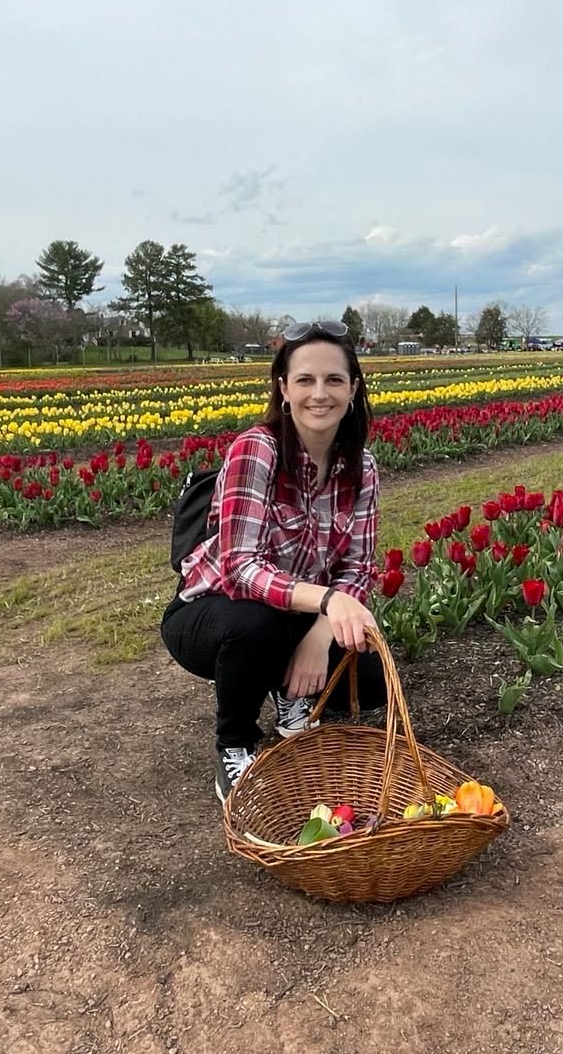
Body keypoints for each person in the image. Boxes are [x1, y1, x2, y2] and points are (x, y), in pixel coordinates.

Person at [161, 320, 386, 801]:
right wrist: (328, 602)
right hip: (215, 613)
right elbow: (240, 568)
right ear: (283, 389)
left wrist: (320, 634)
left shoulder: (361, 468)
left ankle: (290, 692)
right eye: (305, 380)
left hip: (299, 618)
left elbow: (360, 568)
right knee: (254, 625)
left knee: (374, 684)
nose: (319, 394)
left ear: (353, 389)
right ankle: (236, 744)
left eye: (334, 380)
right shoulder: (256, 448)